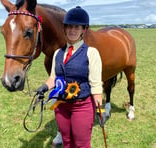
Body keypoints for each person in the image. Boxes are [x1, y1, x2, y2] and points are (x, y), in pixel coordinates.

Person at [36, 6, 108, 148]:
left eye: (77, 27)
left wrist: (100, 109)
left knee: (81, 144)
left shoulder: (91, 53)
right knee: (67, 142)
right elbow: (53, 78)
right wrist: (43, 88)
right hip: (61, 107)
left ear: (83, 30)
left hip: (82, 106)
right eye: (69, 27)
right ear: (64, 29)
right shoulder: (58, 53)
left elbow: (96, 84)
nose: (72, 30)